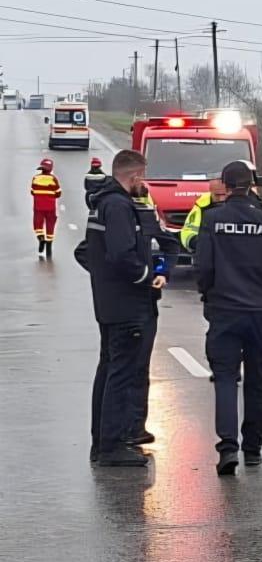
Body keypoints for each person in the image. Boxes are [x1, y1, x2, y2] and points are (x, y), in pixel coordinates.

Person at [196, 160, 262, 475]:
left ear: (224, 183)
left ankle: (227, 447)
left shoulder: (212, 219)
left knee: (224, 378)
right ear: (251, 184)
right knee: (257, 381)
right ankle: (253, 449)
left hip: (224, 310)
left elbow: (203, 267)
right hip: (259, 312)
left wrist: (209, 293)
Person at [77, 149, 166, 467]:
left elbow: (91, 252)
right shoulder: (117, 205)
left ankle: (103, 441)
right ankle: (111, 447)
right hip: (127, 304)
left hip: (112, 302)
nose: (146, 182)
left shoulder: (106, 202)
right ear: (135, 175)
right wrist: (146, 277)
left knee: (111, 368)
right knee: (121, 372)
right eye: (145, 175)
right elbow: (121, 255)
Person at [127, 179, 181, 448]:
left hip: (146, 299)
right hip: (123, 302)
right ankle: (123, 429)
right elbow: (86, 252)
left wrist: (161, 273)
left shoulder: (148, 217)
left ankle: (136, 427)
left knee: (138, 368)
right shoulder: (116, 214)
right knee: (124, 368)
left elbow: (170, 246)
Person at [180, 178, 230, 251]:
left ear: (230, 192)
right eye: (217, 195)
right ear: (210, 191)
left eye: (223, 194)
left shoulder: (238, 205)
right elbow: (188, 232)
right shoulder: (201, 205)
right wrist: (200, 243)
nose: (220, 199)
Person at [30, 158, 61, 259]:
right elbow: (58, 193)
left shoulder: (35, 178)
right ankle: (49, 248)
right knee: (50, 226)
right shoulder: (53, 179)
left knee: (38, 225)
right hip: (50, 208)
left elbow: (32, 191)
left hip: (38, 207)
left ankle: (41, 239)